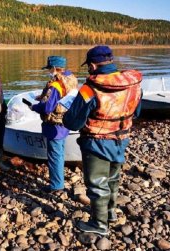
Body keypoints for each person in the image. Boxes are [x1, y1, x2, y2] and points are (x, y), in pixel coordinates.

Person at [63, 45, 142, 236]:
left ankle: (99, 224)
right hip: (121, 138)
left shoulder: (89, 89)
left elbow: (72, 122)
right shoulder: (133, 84)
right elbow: (137, 113)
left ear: (92, 65)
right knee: (113, 178)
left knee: (97, 183)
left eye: (88, 66)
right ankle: (110, 213)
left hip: (96, 142)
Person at [31, 56, 78, 193]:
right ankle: (59, 180)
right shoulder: (70, 80)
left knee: (54, 156)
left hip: (54, 127)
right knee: (60, 153)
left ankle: (56, 186)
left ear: (54, 69)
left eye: (49, 69)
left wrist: (34, 107)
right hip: (64, 123)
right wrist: (42, 98)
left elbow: (47, 108)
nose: (48, 72)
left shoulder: (55, 85)